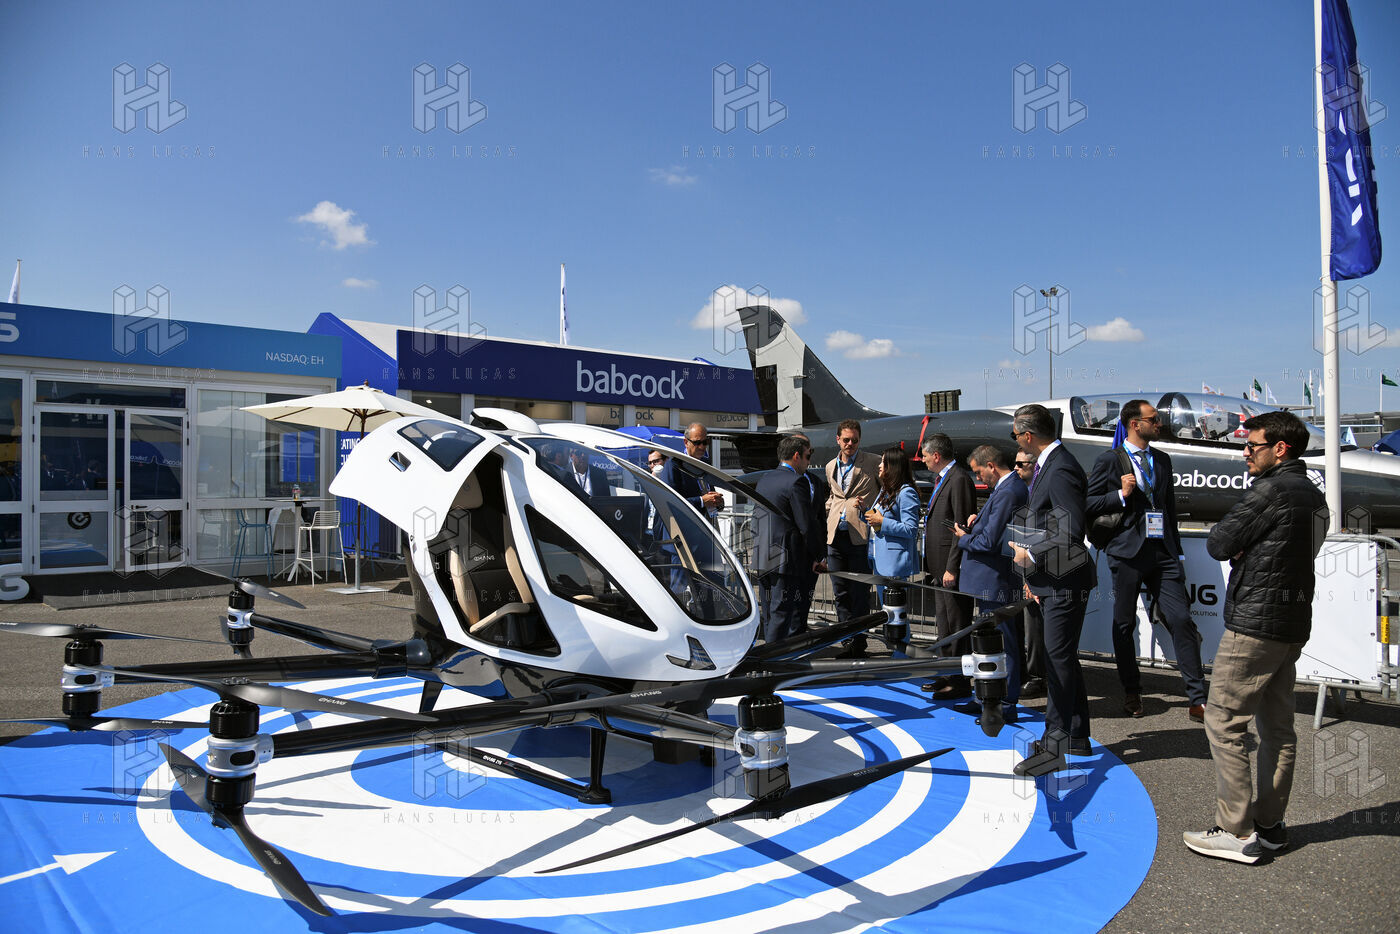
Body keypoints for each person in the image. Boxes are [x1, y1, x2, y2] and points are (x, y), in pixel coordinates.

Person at [1183, 411, 1326, 864]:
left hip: (1255, 624)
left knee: (1223, 721)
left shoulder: (1270, 490)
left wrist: (1245, 547)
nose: (1244, 452)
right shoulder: (1313, 494)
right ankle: (1270, 827)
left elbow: (1219, 543)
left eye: (1252, 445)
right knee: (1278, 729)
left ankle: (1235, 830)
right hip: (1291, 623)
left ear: (1279, 449)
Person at [1087, 399, 1207, 721]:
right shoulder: (1110, 460)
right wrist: (1120, 495)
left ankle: (1198, 698)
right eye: (1153, 419)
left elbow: (1168, 509)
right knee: (1125, 623)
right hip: (1127, 552)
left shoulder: (1162, 460)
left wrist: (1177, 552)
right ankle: (1131, 690)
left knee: (1180, 619)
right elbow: (1088, 503)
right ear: (1134, 424)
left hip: (1162, 553)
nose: (1159, 424)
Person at [1008, 403, 1095, 776]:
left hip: (1064, 582)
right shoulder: (1053, 465)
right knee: (1063, 659)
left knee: (1057, 664)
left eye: (1016, 435)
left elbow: (1070, 530)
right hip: (1053, 580)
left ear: (1028, 435)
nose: (1016, 441)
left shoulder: (1059, 468)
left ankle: (1054, 747)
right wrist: (1033, 575)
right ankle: (1076, 736)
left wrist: (1030, 555)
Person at [951, 444, 1028, 723]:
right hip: (993, 580)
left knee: (1004, 643)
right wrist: (977, 525)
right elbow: (992, 531)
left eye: (978, 472)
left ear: (991, 466)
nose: (978, 478)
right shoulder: (1006, 488)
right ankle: (987, 696)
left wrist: (964, 538)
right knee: (991, 643)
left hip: (997, 581)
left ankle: (1005, 701)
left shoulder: (1008, 491)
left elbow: (989, 542)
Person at [754, 434, 826, 643]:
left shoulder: (765, 479)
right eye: (807, 456)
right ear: (796, 456)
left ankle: (769, 654)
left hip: (763, 555)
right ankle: (773, 659)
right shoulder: (796, 482)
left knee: (770, 614)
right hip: (785, 560)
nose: (808, 462)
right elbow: (806, 525)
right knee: (781, 614)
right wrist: (819, 556)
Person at [919, 433, 976, 699]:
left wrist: (953, 567)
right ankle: (946, 674)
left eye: (925, 455)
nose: (923, 460)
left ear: (936, 455)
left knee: (956, 625)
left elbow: (960, 526)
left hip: (950, 568)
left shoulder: (959, 479)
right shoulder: (943, 479)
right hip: (938, 567)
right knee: (944, 625)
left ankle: (960, 681)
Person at [824, 419, 881, 657]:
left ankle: (859, 641)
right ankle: (846, 640)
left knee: (859, 593)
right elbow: (834, 495)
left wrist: (874, 508)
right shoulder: (830, 466)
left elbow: (888, 489)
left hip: (860, 536)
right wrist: (830, 511)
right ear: (838, 439)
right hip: (835, 537)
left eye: (855, 440)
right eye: (846, 440)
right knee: (840, 592)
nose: (850, 444)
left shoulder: (874, 461)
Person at [863, 447, 920, 651]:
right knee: (889, 611)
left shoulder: (906, 493)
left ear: (893, 467)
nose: (879, 466)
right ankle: (897, 650)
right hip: (879, 560)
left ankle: (902, 653)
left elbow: (911, 529)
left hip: (894, 565)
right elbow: (878, 519)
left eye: (883, 462)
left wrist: (882, 522)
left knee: (897, 613)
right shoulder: (885, 490)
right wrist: (865, 512)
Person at [1013, 452, 1046, 698]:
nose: (1015, 468)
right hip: (1019, 564)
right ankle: (1026, 672)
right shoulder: (1021, 492)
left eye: (1020, 464)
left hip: (1037, 567)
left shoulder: (1038, 494)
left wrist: (1030, 576)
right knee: (1024, 624)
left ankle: (1037, 676)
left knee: (1035, 625)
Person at [660, 423, 725, 523]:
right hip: (686, 526)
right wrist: (702, 501)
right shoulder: (674, 464)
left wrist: (718, 502)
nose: (702, 447)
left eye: (705, 442)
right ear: (686, 442)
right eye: (697, 443)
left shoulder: (706, 463)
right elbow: (670, 502)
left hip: (708, 524)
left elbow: (710, 494)